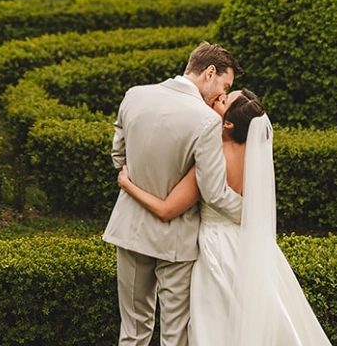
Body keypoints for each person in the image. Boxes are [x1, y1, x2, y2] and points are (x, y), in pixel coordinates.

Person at [117, 91, 333, 346]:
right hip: (248, 244)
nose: (217, 97)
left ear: (228, 124)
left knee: (216, 323)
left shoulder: (212, 156)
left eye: (223, 101)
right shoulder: (255, 156)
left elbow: (167, 209)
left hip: (215, 250)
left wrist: (127, 184)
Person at [103, 42, 243, 346]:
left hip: (131, 229)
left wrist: (137, 183)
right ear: (209, 73)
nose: (223, 94)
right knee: (174, 334)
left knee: (133, 330)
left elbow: (118, 157)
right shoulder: (207, 121)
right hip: (176, 240)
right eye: (225, 85)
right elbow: (214, 192)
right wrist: (248, 210)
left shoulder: (135, 95)